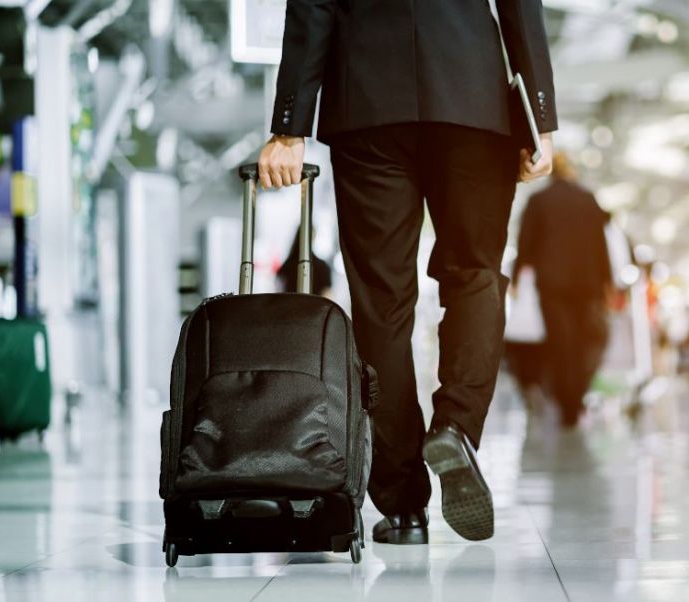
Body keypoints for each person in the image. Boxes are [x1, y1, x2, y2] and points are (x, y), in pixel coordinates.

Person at [257, 0, 557, 544]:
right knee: (474, 275)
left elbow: (312, 6)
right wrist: (540, 116)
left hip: (367, 101)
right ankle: (455, 427)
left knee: (381, 303)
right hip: (473, 98)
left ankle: (402, 507)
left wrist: (288, 127)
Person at [513, 153, 612, 427]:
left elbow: (525, 242)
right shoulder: (588, 199)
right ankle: (576, 397)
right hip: (587, 284)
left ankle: (566, 402)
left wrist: (517, 277)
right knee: (582, 342)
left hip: (552, 283)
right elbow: (600, 244)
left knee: (560, 343)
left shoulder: (538, 201)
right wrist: (607, 281)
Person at [275, 226, 333, 298]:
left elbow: (279, 293)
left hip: (291, 308)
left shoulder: (287, 266)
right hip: (314, 308)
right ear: (313, 237)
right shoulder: (323, 267)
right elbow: (327, 296)